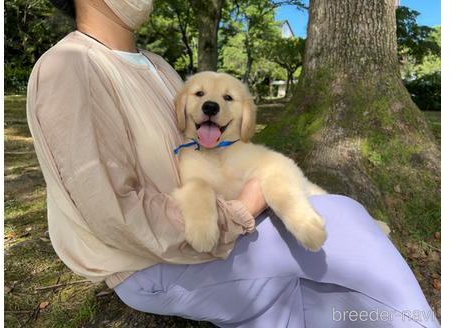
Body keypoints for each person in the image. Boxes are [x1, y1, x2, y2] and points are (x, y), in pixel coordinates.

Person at [26, 0, 440, 327]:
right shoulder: (69, 67)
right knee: (345, 220)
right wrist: (241, 211)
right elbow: (112, 212)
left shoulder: (159, 67)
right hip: (150, 263)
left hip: (209, 230)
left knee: (321, 297)